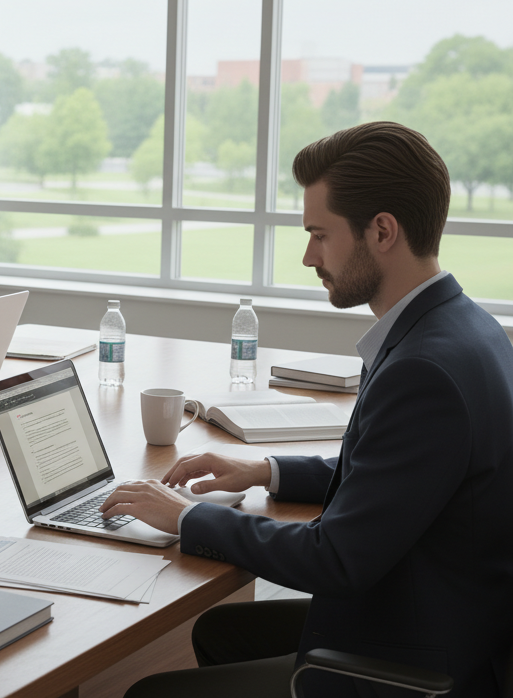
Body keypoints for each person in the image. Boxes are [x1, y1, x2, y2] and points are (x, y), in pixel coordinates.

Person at [100, 122, 513, 697]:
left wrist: (186, 517)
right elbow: (398, 478)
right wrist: (266, 471)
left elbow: (337, 558)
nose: (307, 255)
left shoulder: (425, 369)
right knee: (220, 631)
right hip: (440, 614)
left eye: (320, 234)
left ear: (382, 231)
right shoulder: (463, 327)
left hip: (423, 661)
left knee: (150, 693)